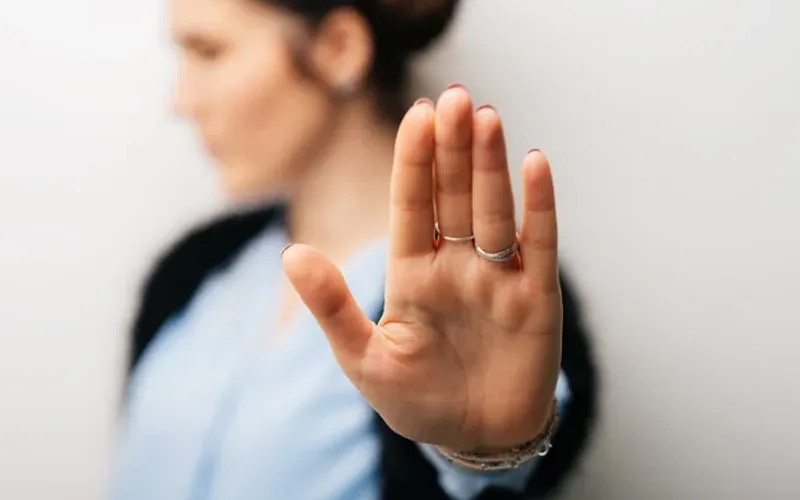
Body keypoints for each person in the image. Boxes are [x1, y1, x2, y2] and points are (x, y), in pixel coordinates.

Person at [111, 0, 598, 499]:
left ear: (339, 49)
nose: (180, 101)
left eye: (209, 51)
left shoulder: (490, 302)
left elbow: (499, 450)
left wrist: (482, 451)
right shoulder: (191, 274)